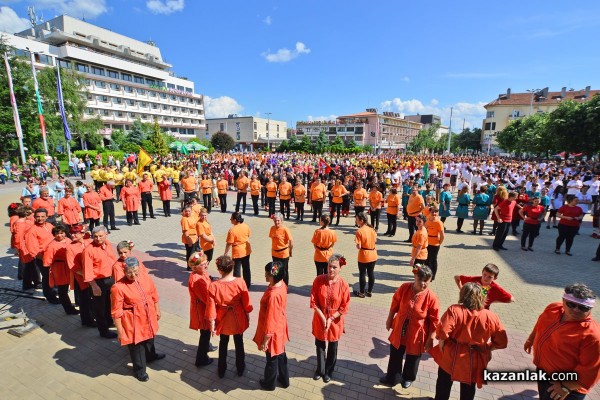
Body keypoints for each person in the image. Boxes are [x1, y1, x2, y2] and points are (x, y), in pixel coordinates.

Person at [430, 282, 508, 400]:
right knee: (468, 388)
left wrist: (442, 345)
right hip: (475, 357)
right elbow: (502, 342)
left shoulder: (454, 310)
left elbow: (443, 333)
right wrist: (487, 347)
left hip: (452, 354)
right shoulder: (491, 316)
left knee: (444, 383)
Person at [524, 283, 600, 399]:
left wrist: (566, 387)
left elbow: (590, 371)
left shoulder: (592, 335)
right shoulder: (553, 308)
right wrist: (531, 339)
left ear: (590, 308)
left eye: (583, 307)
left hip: (566, 388)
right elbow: (540, 324)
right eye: (571, 304)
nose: (576, 309)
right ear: (564, 300)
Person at [380, 265, 440, 388]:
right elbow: (395, 303)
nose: (423, 284)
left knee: (413, 355)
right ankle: (392, 376)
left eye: (426, 281)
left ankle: (408, 377)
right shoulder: (404, 287)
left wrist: (431, 338)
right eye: (420, 280)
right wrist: (389, 318)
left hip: (417, 331)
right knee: (396, 352)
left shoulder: (432, 297)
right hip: (400, 327)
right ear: (415, 277)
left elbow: (435, 320)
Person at [111, 257, 165, 382]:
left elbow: (154, 295)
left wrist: (157, 309)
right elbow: (116, 312)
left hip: (148, 314)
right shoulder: (118, 287)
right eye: (129, 272)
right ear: (124, 271)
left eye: (135, 271)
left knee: (150, 338)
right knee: (137, 345)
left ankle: (151, 356)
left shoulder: (146, 278)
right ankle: (140, 370)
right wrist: (120, 331)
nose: (133, 275)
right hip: (133, 320)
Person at [206, 255, 253, 378]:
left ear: (220, 270)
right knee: (239, 342)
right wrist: (247, 313)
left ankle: (221, 369)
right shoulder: (240, 282)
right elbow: (246, 301)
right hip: (237, 316)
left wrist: (212, 322)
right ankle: (240, 368)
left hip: (223, 318)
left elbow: (211, 306)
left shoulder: (214, 285)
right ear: (232, 268)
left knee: (223, 343)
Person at [310, 254, 350, 383]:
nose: (331, 269)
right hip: (320, 317)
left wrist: (331, 318)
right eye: (329, 266)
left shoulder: (343, 284)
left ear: (340, 268)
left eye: (334, 267)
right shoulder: (318, 280)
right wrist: (323, 317)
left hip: (335, 320)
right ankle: (320, 370)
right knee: (320, 345)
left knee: (333, 346)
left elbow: (344, 306)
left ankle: (329, 371)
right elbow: (313, 301)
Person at [253, 261, 290, 391]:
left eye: (268, 274)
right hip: (280, 326)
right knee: (281, 354)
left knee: (272, 359)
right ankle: (284, 380)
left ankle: (269, 383)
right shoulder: (282, 285)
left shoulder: (274, 294)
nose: (265, 276)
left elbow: (270, 319)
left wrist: (265, 341)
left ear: (274, 276)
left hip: (273, 330)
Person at [83, 226, 118, 338]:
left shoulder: (107, 244)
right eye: (95, 236)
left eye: (100, 236)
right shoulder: (89, 250)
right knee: (99, 308)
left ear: (106, 235)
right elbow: (87, 270)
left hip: (110, 279)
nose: (98, 238)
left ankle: (108, 322)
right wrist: (94, 286)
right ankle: (103, 331)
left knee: (109, 304)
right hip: (98, 282)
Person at [25, 208, 59, 303]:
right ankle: (50, 296)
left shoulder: (49, 225)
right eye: (38, 217)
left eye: (42, 216)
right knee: (47, 277)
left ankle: (54, 291)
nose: (40, 218)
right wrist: (45, 259)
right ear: (34, 217)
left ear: (47, 217)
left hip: (54, 256)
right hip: (43, 258)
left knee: (54, 276)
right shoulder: (32, 231)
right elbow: (33, 250)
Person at [43, 224, 79, 315]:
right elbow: (47, 261)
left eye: (62, 233)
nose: (60, 235)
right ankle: (68, 309)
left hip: (70, 266)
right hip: (60, 269)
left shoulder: (68, 240)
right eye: (57, 233)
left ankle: (78, 302)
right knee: (63, 290)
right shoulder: (51, 246)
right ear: (54, 234)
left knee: (76, 285)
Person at [65, 224, 95, 327]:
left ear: (82, 234)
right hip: (81, 278)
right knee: (85, 300)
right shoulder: (70, 247)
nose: (72, 235)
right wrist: (87, 275)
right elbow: (73, 267)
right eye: (71, 233)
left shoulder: (89, 242)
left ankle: (94, 316)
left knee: (93, 298)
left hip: (94, 276)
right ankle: (87, 321)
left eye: (75, 233)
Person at [188, 252, 214, 367]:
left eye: (206, 263)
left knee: (205, 333)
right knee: (205, 333)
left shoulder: (201, 272)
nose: (206, 265)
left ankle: (206, 347)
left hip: (202, 307)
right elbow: (206, 298)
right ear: (194, 267)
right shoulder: (196, 279)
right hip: (202, 309)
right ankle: (201, 359)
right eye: (203, 264)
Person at [224, 212, 252, 288]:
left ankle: (237, 286)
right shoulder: (246, 226)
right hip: (246, 250)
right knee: (246, 268)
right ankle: (247, 285)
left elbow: (229, 243)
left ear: (235, 220)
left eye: (231, 219)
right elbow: (249, 235)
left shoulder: (232, 230)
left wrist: (225, 253)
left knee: (237, 270)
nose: (230, 220)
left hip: (237, 252)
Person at [354, 211, 377, 298]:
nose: (356, 221)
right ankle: (370, 291)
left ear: (361, 220)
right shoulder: (371, 229)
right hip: (373, 254)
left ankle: (362, 292)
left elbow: (359, 246)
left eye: (357, 219)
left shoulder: (359, 231)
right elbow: (375, 240)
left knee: (362, 274)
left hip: (364, 255)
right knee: (371, 273)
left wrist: (357, 244)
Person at [269, 212, 293, 286]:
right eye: (275, 220)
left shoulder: (285, 229)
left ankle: (285, 286)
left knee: (284, 270)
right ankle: (275, 283)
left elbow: (291, 241)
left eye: (278, 220)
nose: (277, 222)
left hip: (283, 254)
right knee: (275, 270)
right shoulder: (272, 228)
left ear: (281, 221)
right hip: (275, 253)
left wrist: (290, 251)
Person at [425, 205, 445, 280]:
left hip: (435, 244)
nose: (434, 213)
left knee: (433, 260)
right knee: (426, 259)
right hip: (427, 243)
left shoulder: (439, 223)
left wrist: (439, 242)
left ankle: (432, 276)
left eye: (436, 212)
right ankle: (426, 274)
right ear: (430, 212)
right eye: (433, 212)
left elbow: (442, 235)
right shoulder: (427, 220)